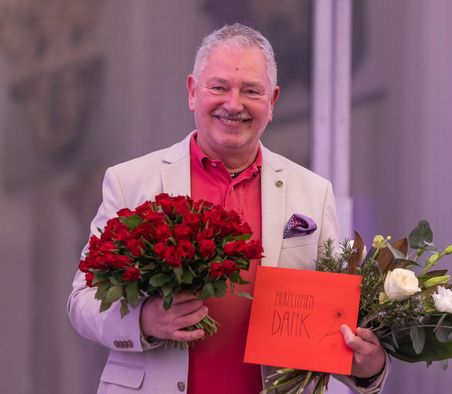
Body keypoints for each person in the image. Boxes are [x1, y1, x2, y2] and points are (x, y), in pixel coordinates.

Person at [67, 23, 387, 393]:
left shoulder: (313, 193)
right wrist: (143, 320)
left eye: (251, 90)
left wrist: (369, 368)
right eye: (218, 87)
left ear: (273, 101)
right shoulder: (131, 183)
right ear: (192, 92)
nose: (233, 104)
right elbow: (82, 301)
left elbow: (334, 326)